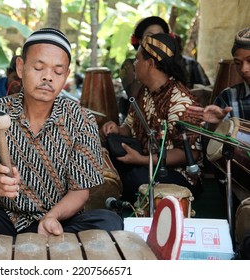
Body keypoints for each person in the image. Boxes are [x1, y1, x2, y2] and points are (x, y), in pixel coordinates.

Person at [0, 27, 124, 239]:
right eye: (39, 68)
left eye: (58, 72)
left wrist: (52, 217)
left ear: (66, 75)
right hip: (1, 219)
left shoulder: (81, 119)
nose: (48, 77)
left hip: (57, 222)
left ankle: (2, 248)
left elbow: (80, 191)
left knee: (110, 221)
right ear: (21, 68)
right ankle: (14, 248)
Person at [101, 33, 203, 204]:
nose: (134, 64)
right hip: (146, 163)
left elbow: (189, 153)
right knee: (103, 159)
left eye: (137, 59)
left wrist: (141, 160)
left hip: (179, 176)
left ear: (150, 64)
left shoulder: (181, 101)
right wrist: (118, 130)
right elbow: (130, 124)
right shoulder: (145, 91)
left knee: (133, 179)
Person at [187, 27, 250, 260]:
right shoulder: (228, 97)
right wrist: (217, 126)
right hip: (242, 184)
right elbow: (215, 150)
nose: (244, 69)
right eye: (238, 62)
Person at [118, 16, 170, 120]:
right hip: (137, 121)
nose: (155, 41)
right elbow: (135, 96)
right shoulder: (130, 65)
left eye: (159, 36)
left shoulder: (172, 64)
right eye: (150, 36)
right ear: (140, 40)